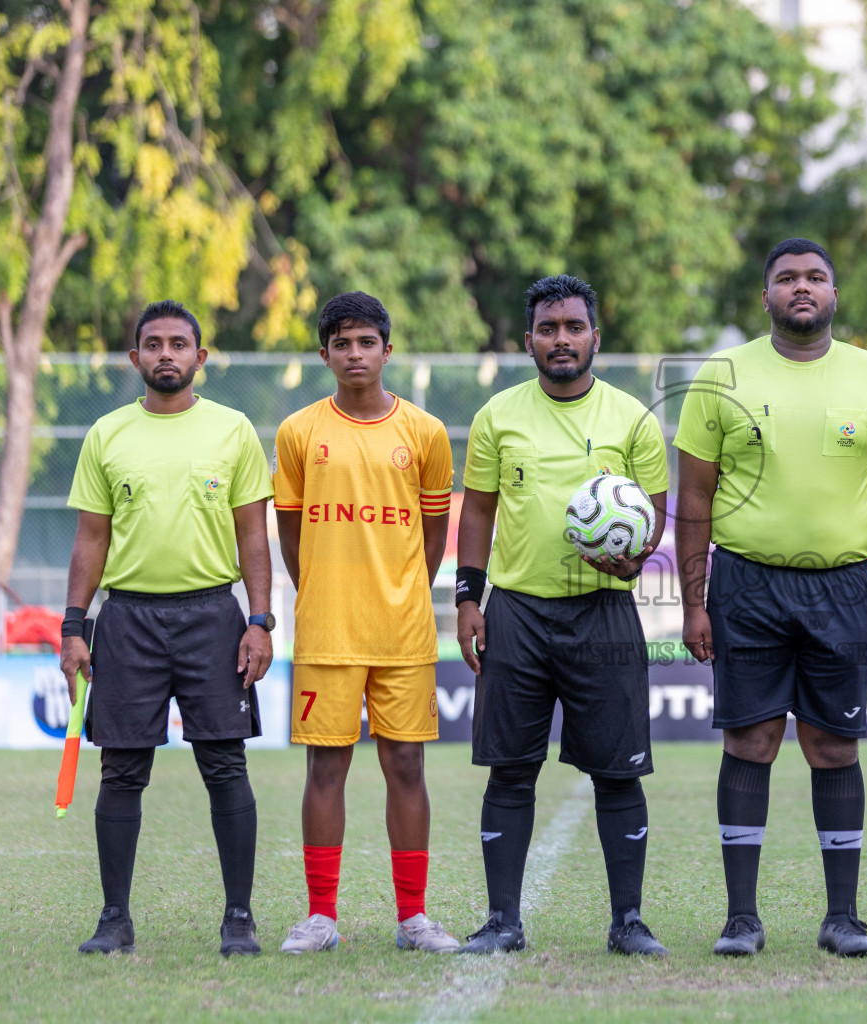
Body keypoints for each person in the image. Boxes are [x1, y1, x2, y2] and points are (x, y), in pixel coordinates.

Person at [675, 238, 867, 958]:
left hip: (844, 584)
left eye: (815, 277)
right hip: (746, 580)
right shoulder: (722, 374)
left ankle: (842, 917)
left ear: (834, 294)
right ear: (766, 296)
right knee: (750, 739)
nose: (801, 287)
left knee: (833, 746)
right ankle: (741, 918)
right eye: (787, 278)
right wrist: (694, 603)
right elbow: (693, 495)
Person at [454, 274, 670, 956]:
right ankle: (502, 922)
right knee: (510, 769)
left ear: (595, 337)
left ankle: (628, 922)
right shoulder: (498, 416)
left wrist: (637, 559)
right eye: (548, 329)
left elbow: (653, 514)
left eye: (573, 327)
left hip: (604, 612)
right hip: (516, 611)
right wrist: (468, 598)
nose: (561, 339)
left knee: (618, 771)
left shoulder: (631, 418)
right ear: (529, 342)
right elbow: (480, 510)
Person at [60, 300, 274, 956]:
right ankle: (114, 919)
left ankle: (238, 917)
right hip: (126, 619)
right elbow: (90, 541)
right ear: (136, 359)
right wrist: (74, 625)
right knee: (121, 772)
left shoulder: (233, 430)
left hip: (213, 615)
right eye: (153, 344)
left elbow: (253, 539)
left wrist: (260, 620)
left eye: (179, 343)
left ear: (200, 358)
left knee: (224, 765)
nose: (166, 354)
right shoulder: (107, 434)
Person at [274, 292, 458, 954]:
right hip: (326, 629)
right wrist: (325, 591)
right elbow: (291, 537)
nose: (355, 354)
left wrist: (400, 589)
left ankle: (413, 919)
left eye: (367, 342)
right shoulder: (299, 432)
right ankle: (321, 916)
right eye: (342, 343)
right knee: (326, 769)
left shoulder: (426, 434)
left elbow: (432, 540)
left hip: (402, 632)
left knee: (406, 765)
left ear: (387, 349)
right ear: (324, 354)